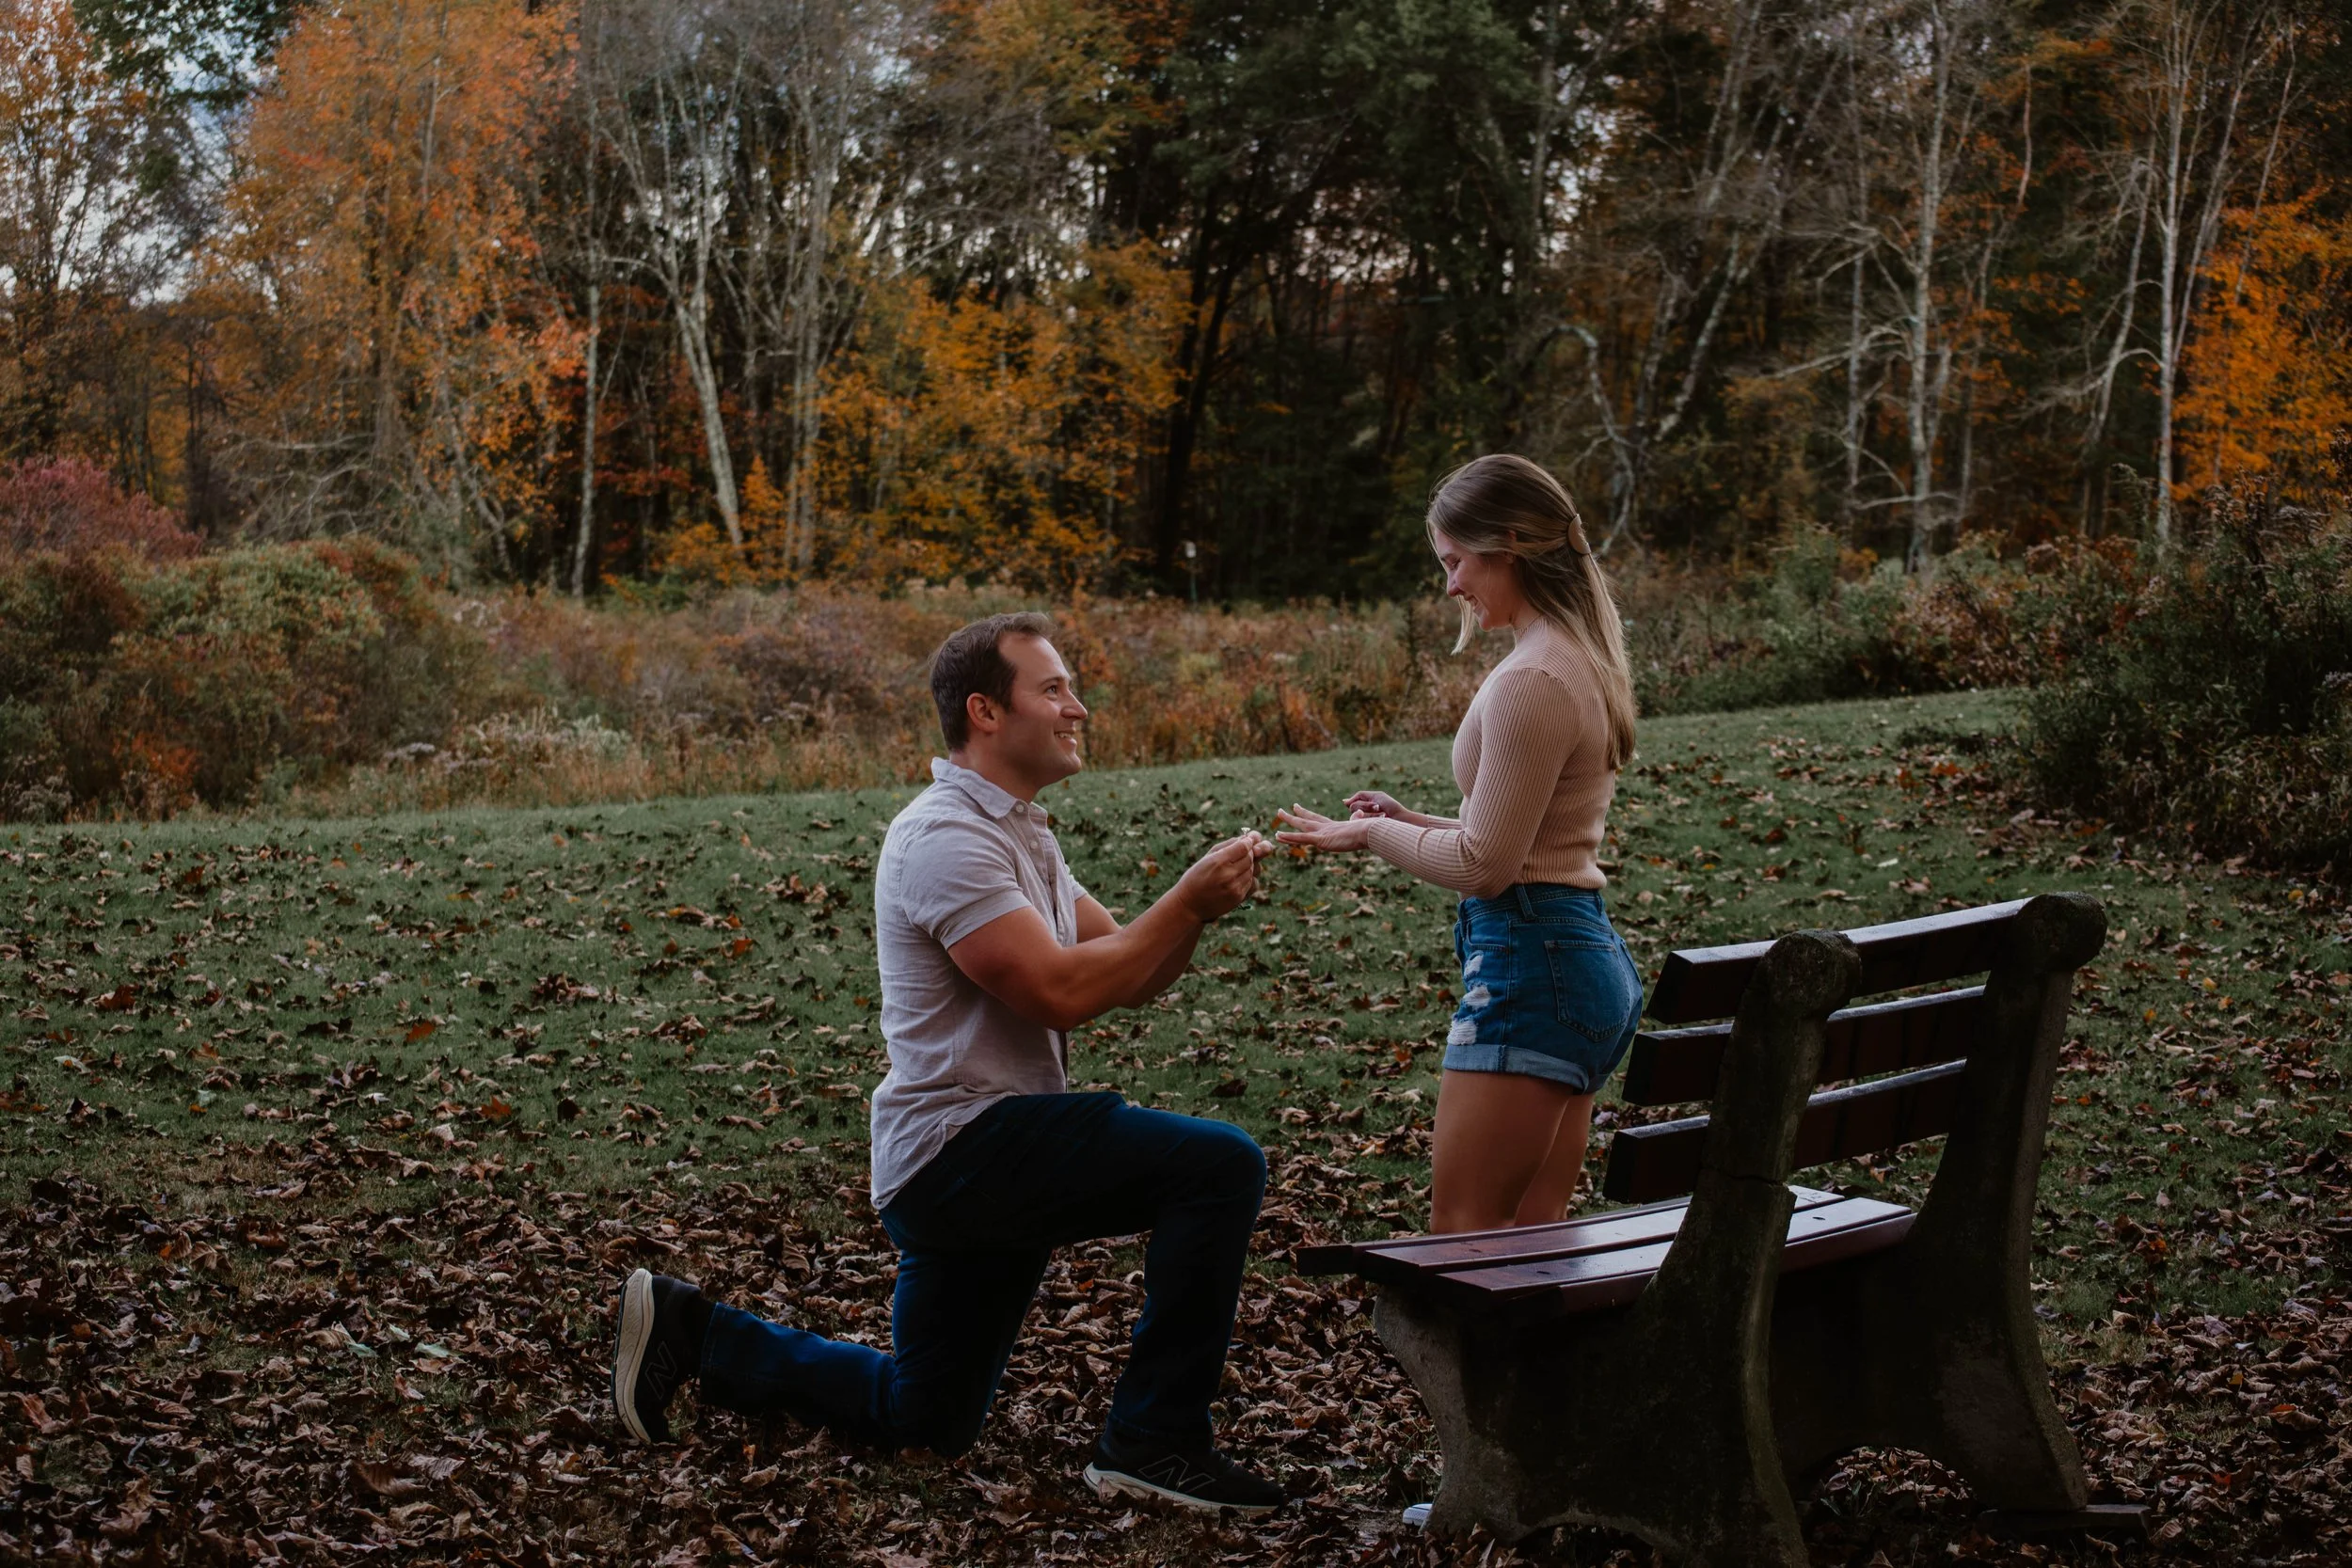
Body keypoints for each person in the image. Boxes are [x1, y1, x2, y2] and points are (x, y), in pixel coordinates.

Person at [609, 611, 1287, 1515]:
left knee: (924, 1416)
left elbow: (1126, 967)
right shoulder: (944, 840)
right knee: (1220, 1164)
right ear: (986, 711)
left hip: (986, 1156)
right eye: (1053, 688)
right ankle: (1157, 1440)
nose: (1077, 705)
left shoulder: (1022, 833)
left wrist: (1197, 911)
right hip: (963, 1146)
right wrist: (1186, 896)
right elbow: (1060, 992)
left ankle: (696, 1335)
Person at [1276, 455, 1643, 1234]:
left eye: (1455, 562)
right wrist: (1411, 819)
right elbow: (1529, 840)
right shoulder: (1577, 658)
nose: (1450, 587)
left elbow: (1487, 867)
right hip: (1576, 963)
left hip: (1533, 973)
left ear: (1507, 543)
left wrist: (1375, 832)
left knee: (1468, 1236)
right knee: (1531, 1239)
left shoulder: (1531, 679)